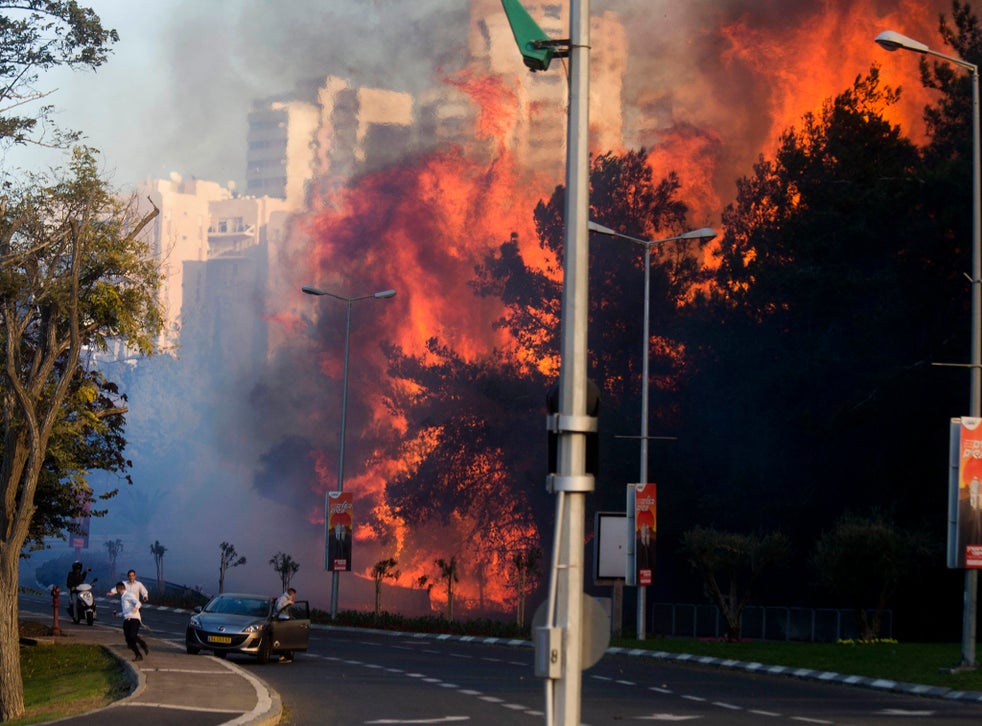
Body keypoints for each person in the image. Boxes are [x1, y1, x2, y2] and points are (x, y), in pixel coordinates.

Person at [115, 581, 149, 661]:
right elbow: (126, 611)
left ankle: (143, 644)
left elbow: (138, 602)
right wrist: (118, 615)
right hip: (126, 619)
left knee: (132, 636)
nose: (117, 591)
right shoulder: (123, 597)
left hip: (134, 619)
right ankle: (138, 655)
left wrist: (136, 608)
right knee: (128, 639)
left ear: (119, 589)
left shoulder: (128, 595)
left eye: (117, 590)